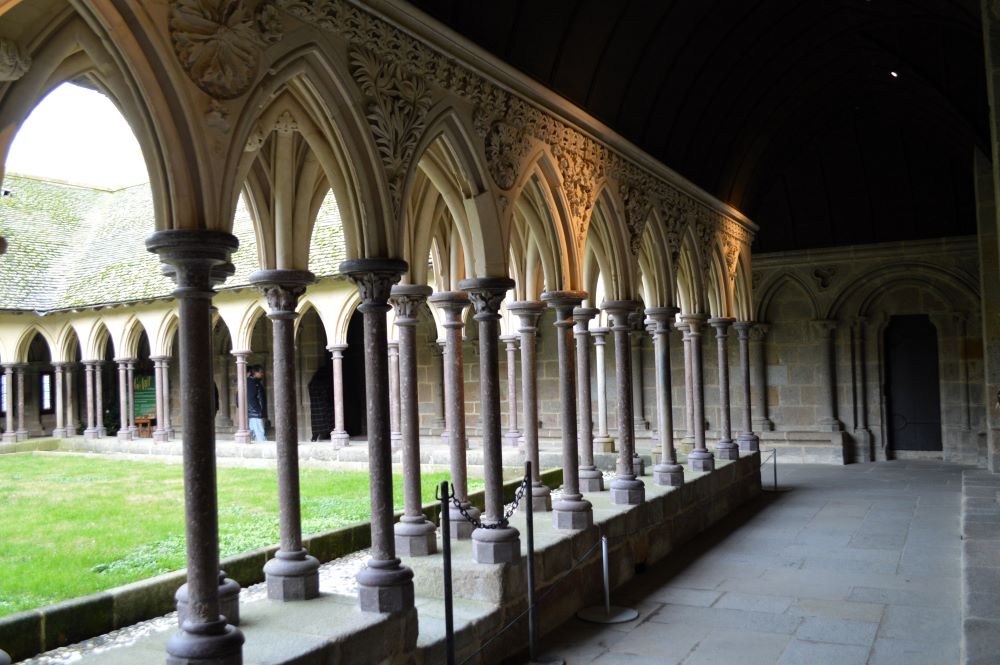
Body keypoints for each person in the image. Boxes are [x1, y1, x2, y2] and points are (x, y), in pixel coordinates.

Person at [247, 365, 267, 442]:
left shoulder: (256, 382)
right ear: (255, 372)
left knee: (256, 434)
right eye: (260, 372)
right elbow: (251, 398)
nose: (262, 374)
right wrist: (258, 411)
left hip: (256, 413)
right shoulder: (251, 382)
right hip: (255, 413)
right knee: (260, 434)